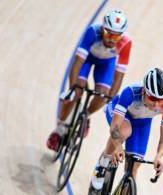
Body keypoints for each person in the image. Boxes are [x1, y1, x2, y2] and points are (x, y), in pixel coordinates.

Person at [46, 9, 132, 151]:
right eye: (109, 34)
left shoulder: (126, 43)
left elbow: (119, 75)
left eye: (116, 37)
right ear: (103, 29)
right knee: (77, 90)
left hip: (106, 64)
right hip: (86, 60)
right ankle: (59, 129)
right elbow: (78, 62)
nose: (111, 39)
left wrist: (109, 98)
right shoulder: (93, 32)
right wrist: (72, 90)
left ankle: (86, 115)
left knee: (104, 93)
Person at [90, 67, 163, 191]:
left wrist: (158, 156)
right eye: (153, 99)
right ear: (144, 91)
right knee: (124, 131)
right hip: (120, 114)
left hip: (142, 122)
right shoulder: (130, 93)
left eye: (160, 100)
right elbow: (115, 127)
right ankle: (102, 164)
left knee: (134, 166)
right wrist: (118, 146)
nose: (156, 104)